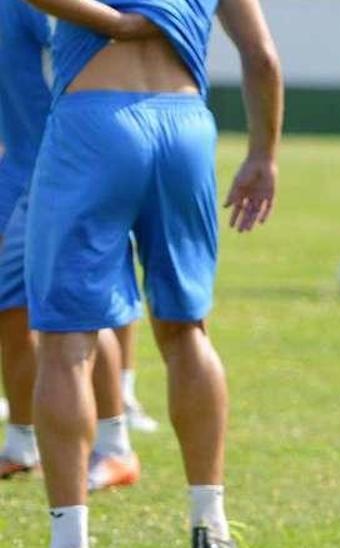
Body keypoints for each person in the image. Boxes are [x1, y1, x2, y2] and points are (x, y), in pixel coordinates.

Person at [20, 0, 282, 545]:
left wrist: (113, 23)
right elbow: (262, 58)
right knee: (187, 330)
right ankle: (209, 520)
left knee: (68, 343)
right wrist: (263, 155)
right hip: (185, 125)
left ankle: (69, 537)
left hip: (93, 122)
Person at [0, 0, 142, 487]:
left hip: (71, 162)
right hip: (18, 167)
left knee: (80, 305)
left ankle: (115, 443)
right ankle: (21, 440)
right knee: (13, 307)